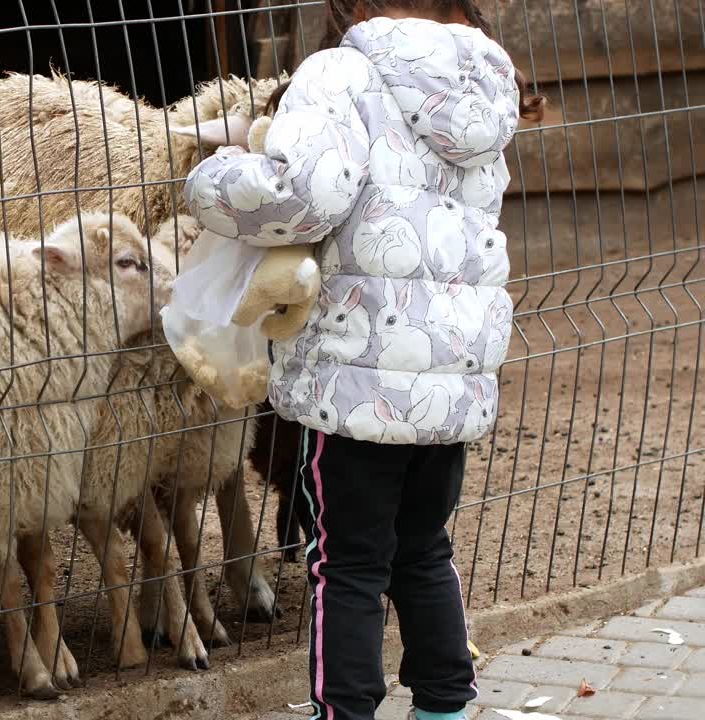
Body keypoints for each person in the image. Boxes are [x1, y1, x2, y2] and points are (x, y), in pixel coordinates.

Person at [181, 2, 545, 719]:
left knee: (344, 561)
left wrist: (215, 177)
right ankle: (444, 705)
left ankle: (343, 711)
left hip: (357, 378)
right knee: (422, 547)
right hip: (448, 382)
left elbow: (302, 196)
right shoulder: (481, 79)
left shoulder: (342, 73)